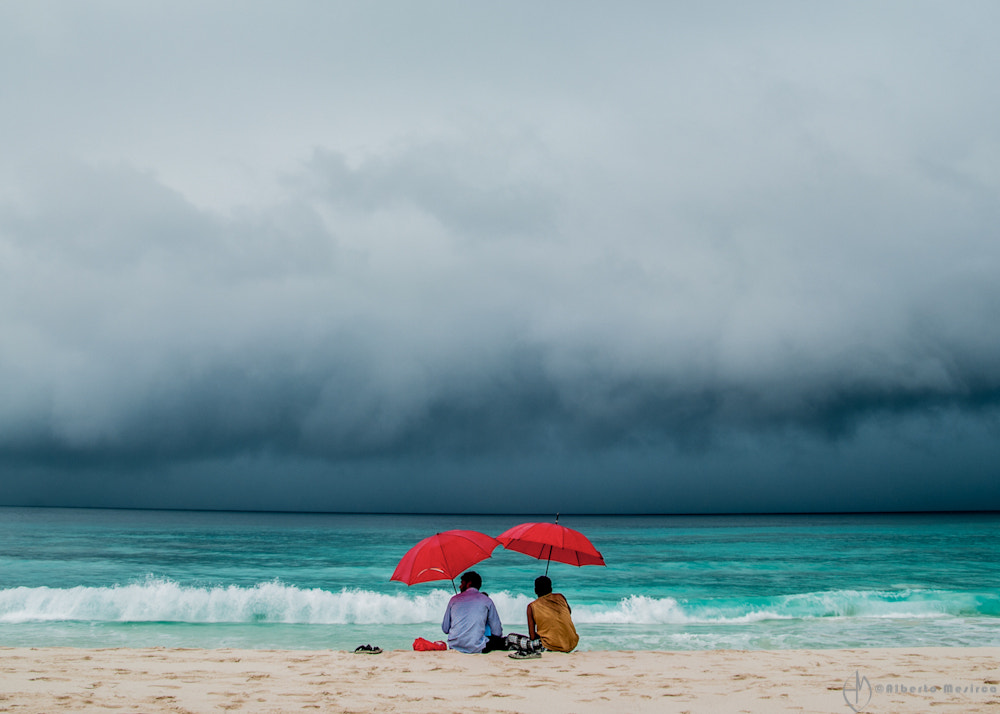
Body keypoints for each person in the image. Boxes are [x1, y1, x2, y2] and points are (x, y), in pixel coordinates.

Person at [441, 571, 505, 653]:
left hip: (454, 647)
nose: (460, 586)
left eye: (461, 583)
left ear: (468, 584)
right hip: (477, 648)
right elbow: (497, 632)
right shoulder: (487, 600)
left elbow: (445, 629)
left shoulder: (453, 600)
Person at [526, 575, 579, 652]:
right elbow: (569, 612)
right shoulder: (561, 597)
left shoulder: (531, 607)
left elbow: (532, 637)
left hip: (552, 646)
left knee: (511, 638)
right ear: (551, 589)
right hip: (571, 643)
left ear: (535, 591)